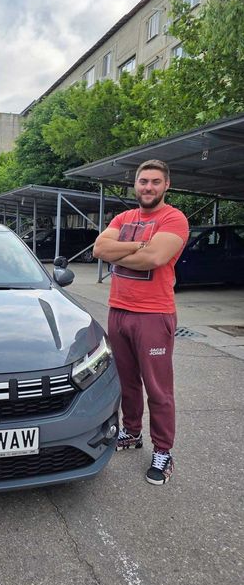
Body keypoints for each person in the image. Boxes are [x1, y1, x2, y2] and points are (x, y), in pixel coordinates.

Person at [93, 159, 189, 485]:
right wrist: (138, 244)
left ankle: (163, 450)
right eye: (143, 181)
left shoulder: (173, 218)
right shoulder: (123, 218)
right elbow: (99, 248)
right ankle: (132, 432)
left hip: (153, 314)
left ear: (166, 185)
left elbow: (154, 258)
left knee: (158, 389)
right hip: (118, 310)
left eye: (155, 182)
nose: (148, 187)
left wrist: (122, 251)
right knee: (127, 382)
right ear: (135, 184)